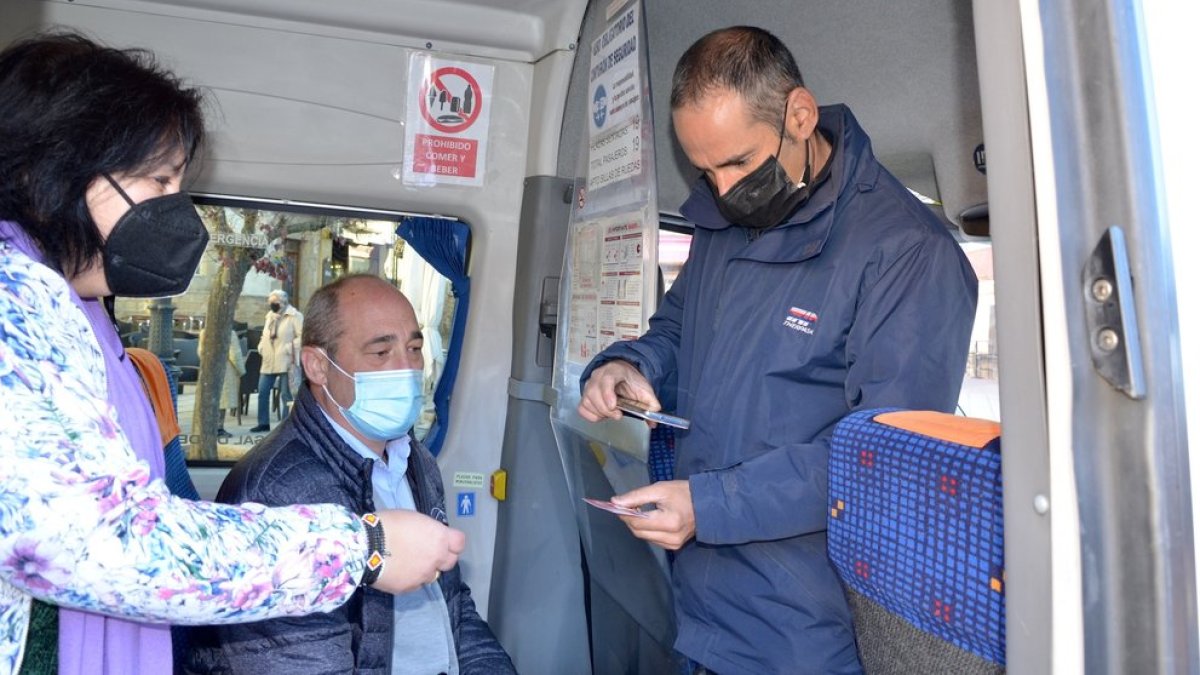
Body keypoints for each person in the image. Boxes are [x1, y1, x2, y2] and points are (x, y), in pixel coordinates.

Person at [0, 32, 465, 675]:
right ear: (57, 173)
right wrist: (363, 549)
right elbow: (95, 541)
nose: (173, 207)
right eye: (158, 179)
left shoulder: (78, 315)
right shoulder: (12, 303)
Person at [577, 27, 979, 675]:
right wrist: (632, 364)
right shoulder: (726, 223)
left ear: (799, 115)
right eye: (705, 171)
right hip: (702, 609)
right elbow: (678, 327)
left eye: (738, 163)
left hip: (804, 634)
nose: (725, 189)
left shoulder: (908, 255)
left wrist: (708, 505)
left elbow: (880, 460)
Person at [188, 274, 515, 674]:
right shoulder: (280, 491)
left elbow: (453, 605)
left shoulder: (415, 461)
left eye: (414, 349)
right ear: (317, 367)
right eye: (381, 353)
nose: (407, 368)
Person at [251, 289, 302, 432]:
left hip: (285, 360)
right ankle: (263, 423)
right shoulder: (270, 317)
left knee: (286, 394)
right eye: (270, 302)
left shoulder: (295, 316)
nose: (272, 305)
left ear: (284, 302)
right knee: (262, 391)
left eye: (275, 302)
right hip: (268, 360)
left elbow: (303, 336)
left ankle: (285, 425)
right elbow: (264, 335)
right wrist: (261, 347)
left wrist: (288, 348)